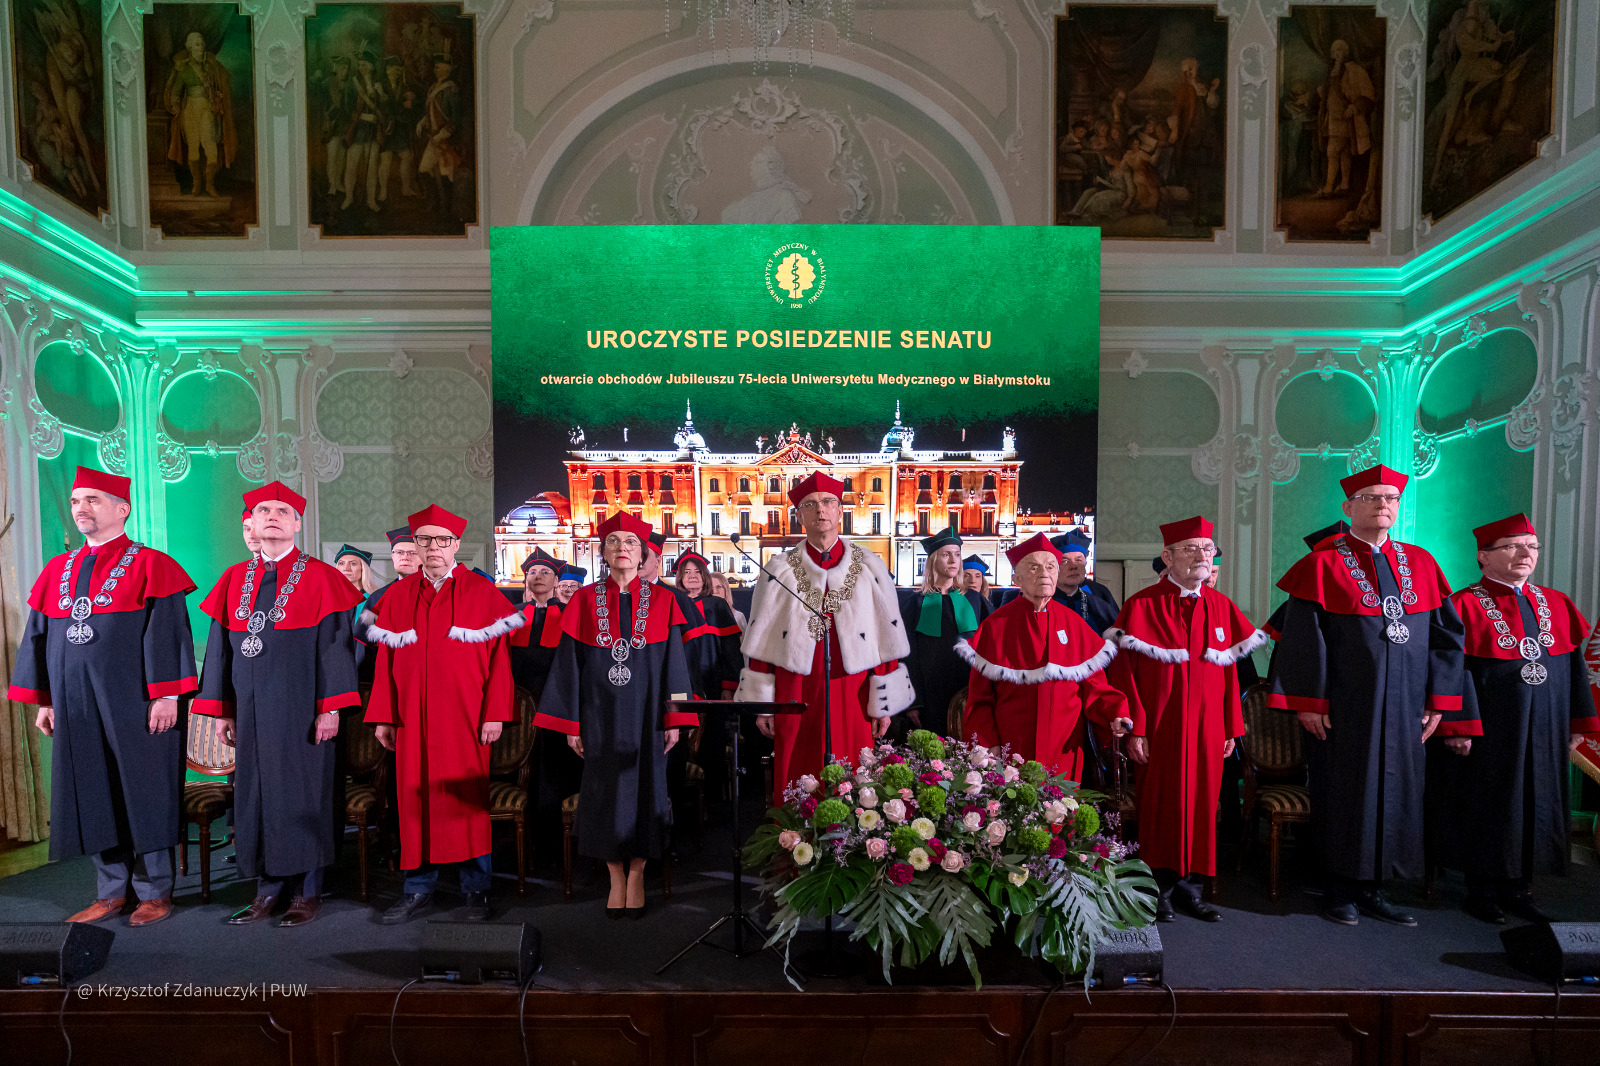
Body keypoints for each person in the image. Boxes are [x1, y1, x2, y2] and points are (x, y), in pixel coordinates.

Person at [1270, 464, 1469, 926]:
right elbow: (1304, 640)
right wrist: (1311, 702)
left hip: (1405, 707)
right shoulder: (1321, 565)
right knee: (1346, 792)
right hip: (1345, 707)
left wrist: (1438, 701)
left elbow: (1447, 638)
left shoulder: (1422, 562)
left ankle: (1376, 888)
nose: (1383, 504)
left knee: (1397, 792)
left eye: (1391, 498)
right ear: (1348, 507)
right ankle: (1338, 889)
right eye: (1371, 497)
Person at [10, 467, 197, 928]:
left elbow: (167, 634)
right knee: (93, 789)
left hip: (136, 701)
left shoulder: (153, 564)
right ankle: (111, 891)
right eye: (76, 501)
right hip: (75, 700)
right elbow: (38, 636)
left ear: (122, 508)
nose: (81, 508)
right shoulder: (58, 569)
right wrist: (46, 700)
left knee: (145, 789)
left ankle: (154, 891)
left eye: (92, 500)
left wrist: (167, 695)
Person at [193, 482, 362, 927]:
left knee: (305, 794)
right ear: (251, 521)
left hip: (302, 710)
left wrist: (330, 708)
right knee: (257, 795)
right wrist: (223, 710)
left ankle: (308, 891)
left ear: (297, 523)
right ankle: (267, 890)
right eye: (264, 510)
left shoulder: (323, 577)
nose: (272, 516)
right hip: (250, 712)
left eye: (283, 511)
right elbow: (220, 650)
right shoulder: (234, 578)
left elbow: (335, 648)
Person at [1428, 514, 1597, 924]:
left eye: (1532, 547)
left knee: (1536, 803)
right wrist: (1458, 725)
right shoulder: (1462, 604)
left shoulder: (1557, 603)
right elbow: (1453, 671)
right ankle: (1482, 891)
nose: (1526, 554)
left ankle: (1520, 889)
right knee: (1490, 804)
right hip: (1491, 729)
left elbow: (1575, 670)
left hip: (1546, 726)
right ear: (1483, 556)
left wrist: (1578, 724)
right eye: (1513, 546)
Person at [365, 504, 521, 923]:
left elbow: (500, 660)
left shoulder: (482, 592)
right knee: (413, 800)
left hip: (465, 718)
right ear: (415, 545)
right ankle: (417, 888)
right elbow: (385, 661)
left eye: (442, 540)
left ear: (456, 545)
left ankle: (476, 889)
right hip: (411, 718)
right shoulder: (397, 596)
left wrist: (494, 714)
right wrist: (384, 716)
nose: (433, 547)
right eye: (424, 540)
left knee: (466, 801)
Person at [1106, 517, 1265, 923]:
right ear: (1168, 556)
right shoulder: (1140, 606)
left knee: (1203, 806)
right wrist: (1136, 729)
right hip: (1160, 728)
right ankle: (1157, 889)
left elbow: (1230, 672)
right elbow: (1123, 675)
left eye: (1207, 548)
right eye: (1191, 548)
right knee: (1161, 806)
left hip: (1208, 728)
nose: (1201, 555)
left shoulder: (1221, 606)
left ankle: (1192, 890)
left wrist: (1231, 727)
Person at [535, 513, 695, 917]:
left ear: (643, 554)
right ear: (603, 553)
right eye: (613, 542)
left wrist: (675, 718)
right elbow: (568, 667)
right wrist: (571, 724)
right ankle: (615, 876)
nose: (622, 547)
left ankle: (637, 873)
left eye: (631, 542)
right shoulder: (584, 600)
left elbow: (675, 665)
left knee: (647, 791)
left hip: (648, 716)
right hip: (598, 717)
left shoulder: (664, 601)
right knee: (603, 793)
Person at [735, 472, 913, 803]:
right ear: (799, 516)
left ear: (840, 510)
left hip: (853, 688)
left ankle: (851, 835)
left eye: (828, 502)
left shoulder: (870, 567)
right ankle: (793, 835)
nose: (820, 510)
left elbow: (885, 636)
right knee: (796, 768)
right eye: (810, 504)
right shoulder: (779, 569)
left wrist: (883, 704)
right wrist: (763, 705)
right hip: (793, 688)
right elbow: (761, 639)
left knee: (853, 771)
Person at [957, 534, 1125, 776]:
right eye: (1034, 567)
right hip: (1011, 745)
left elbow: (1096, 687)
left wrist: (1116, 712)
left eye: (1050, 567)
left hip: (1064, 745)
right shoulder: (995, 626)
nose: (1044, 574)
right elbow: (980, 698)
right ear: (1016, 579)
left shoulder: (1074, 624)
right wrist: (987, 742)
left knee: (1061, 798)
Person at [899, 528, 991, 736]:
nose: (953, 560)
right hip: (929, 694)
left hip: (969, 689)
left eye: (957, 554)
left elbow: (994, 643)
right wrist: (914, 701)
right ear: (933, 560)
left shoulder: (974, 600)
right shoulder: (914, 603)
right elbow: (906, 656)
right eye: (946, 555)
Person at [1002, 530, 1120, 635]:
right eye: (1065, 561)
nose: (1073, 566)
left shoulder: (1099, 594)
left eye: (1079, 560)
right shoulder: (1025, 598)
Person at [163, 30, 235, 198]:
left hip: (207, 110)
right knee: (193, 150)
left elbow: (220, 84)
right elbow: (176, 92)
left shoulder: (210, 68)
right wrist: (175, 105)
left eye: (202, 44)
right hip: (189, 111)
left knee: (211, 149)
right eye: (197, 44)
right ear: (189, 48)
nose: (201, 47)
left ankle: (210, 185)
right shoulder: (184, 70)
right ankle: (197, 184)